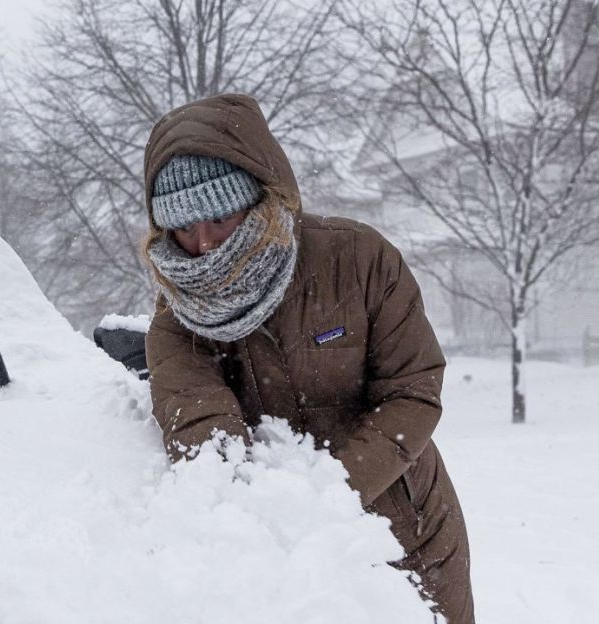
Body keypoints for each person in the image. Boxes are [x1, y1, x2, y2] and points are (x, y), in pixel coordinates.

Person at [141, 93, 474, 624]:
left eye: (219, 217)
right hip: (281, 551)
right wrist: (258, 515)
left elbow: (412, 390)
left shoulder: (359, 259)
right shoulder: (178, 313)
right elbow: (200, 419)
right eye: (183, 227)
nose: (202, 245)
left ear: (259, 199)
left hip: (404, 528)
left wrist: (330, 492)